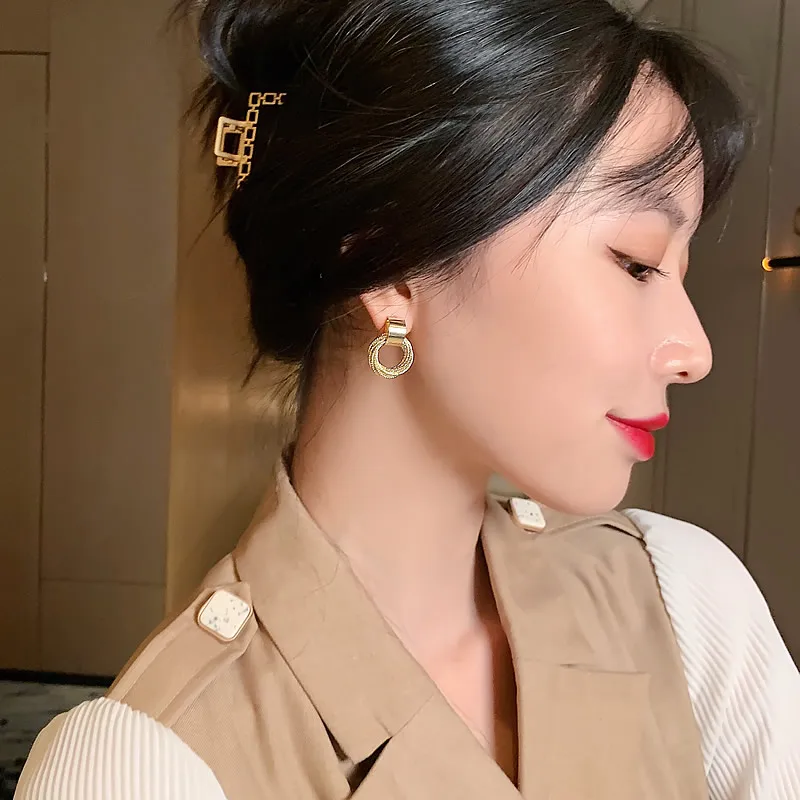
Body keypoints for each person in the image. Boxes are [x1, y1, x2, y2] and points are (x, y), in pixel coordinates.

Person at [15, 0, 800, 797]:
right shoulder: (142, 766)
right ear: (389, 260)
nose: (693, 351)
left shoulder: (685, 601)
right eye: (637, 262)